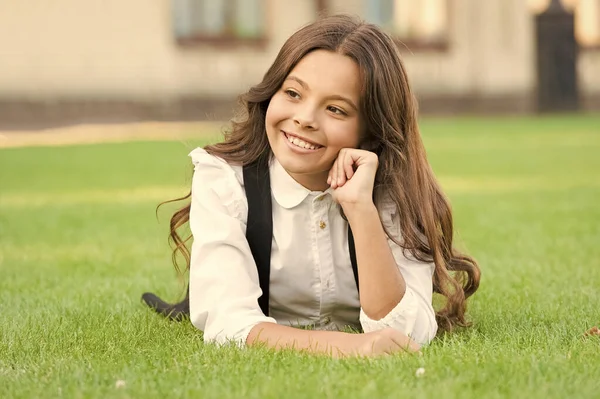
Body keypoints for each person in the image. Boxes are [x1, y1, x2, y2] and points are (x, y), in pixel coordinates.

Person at [159, 14, 480, 358]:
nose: (305, 118)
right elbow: (228, 324)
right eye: (293, 93)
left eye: (336, 109)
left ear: (372, 130)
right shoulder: (223, 179)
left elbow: (407, 330)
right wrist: (355, 347)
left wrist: (360, 208)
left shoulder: (394, 188)